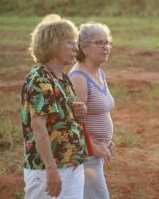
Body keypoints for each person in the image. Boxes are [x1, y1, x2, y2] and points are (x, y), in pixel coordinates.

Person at [21, 17, 89, 199]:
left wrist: (79, 110)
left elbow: (64, 117)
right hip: (49, 169)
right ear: (52, 44)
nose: (76, 48)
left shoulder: (63, 78)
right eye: (70, 43)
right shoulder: (40, 78)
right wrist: (51, 169)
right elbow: (38, 126)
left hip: (71, 163)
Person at [68, 22, 115, 199]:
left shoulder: (99, 73)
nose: (106, 47)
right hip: (86, 156)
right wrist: (94, 146)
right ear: (84, 47)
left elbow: (100, 112)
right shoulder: (79, 78)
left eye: (107, 42)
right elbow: (74, 124)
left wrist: (107, 141)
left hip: (97, 154)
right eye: (100, 43)